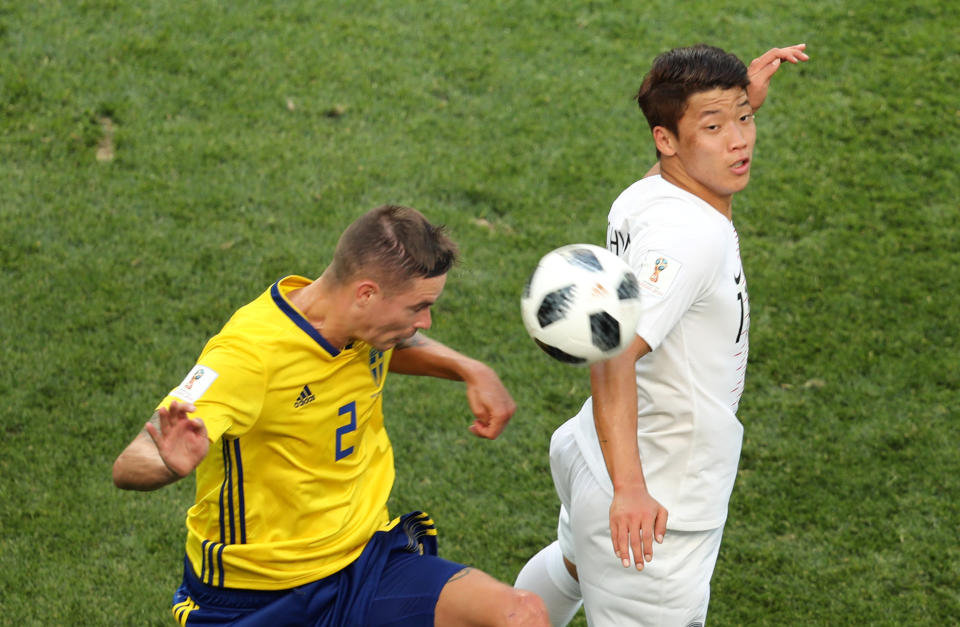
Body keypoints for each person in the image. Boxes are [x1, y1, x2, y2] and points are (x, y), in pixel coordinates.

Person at [113, 205, 548, 626]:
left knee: (520, 615)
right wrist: (167, 463)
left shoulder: (365, 329)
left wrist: (468, 368)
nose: (427, 321)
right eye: (418, 307)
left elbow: (396, 344)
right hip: (256, 594)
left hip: (364, 562)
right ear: (366, 293)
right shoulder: (249, 356)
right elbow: (129, 463)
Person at [515, 44, 810, 626]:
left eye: (743, 120)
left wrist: (736, 102)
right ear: (666, 140)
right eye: (714, 126)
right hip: (654, 492)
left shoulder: (651, 192)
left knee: (571, 566)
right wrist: (631, 490)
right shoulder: (689, 240)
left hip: (590, 451)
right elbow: (614, 348)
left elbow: (684, 155)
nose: (740, 141)